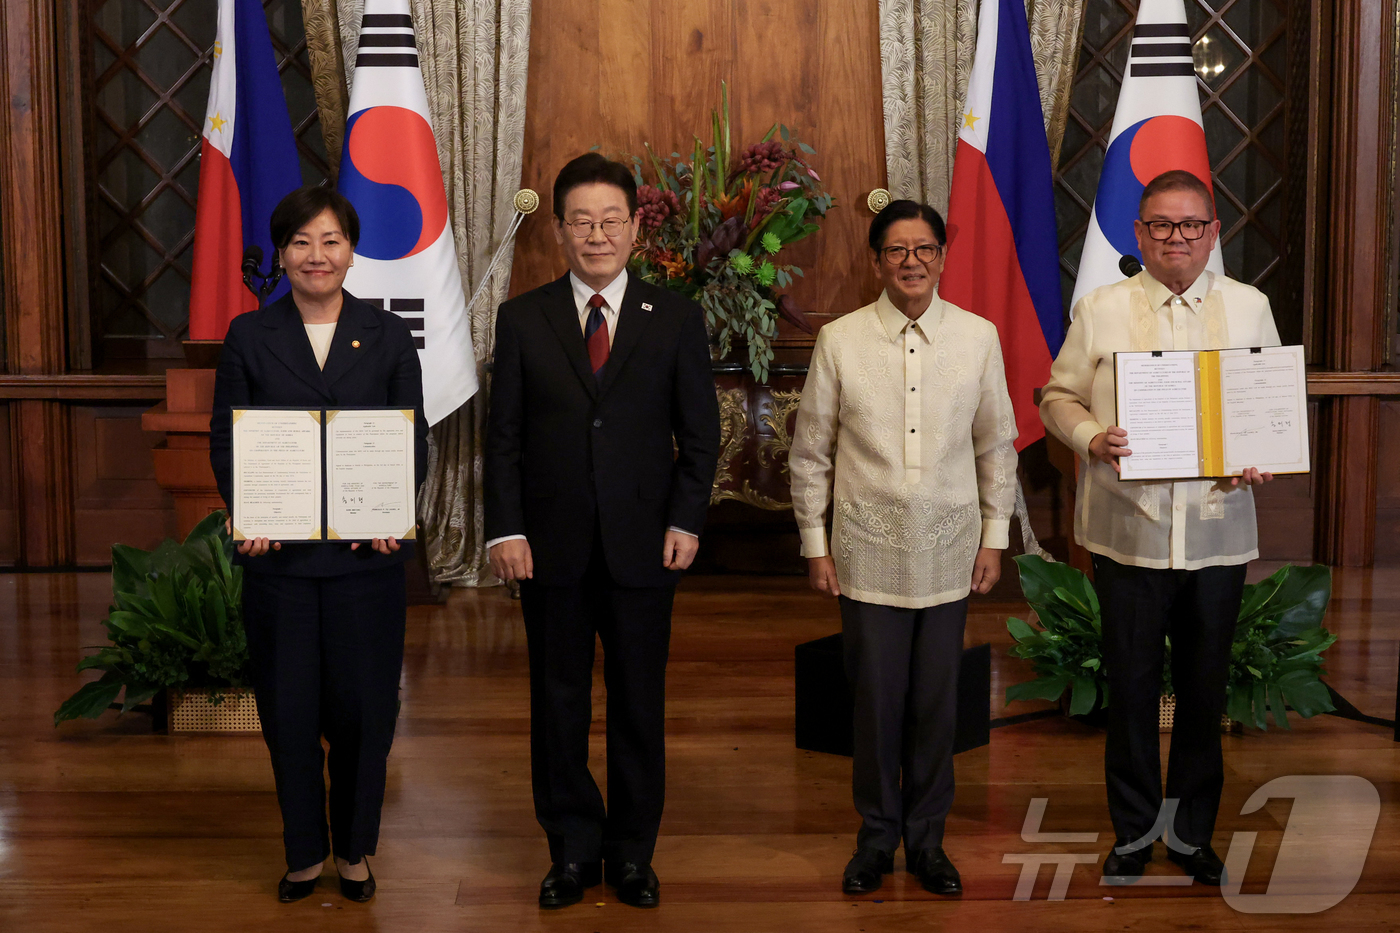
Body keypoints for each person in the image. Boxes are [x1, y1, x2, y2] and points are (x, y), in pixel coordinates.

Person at [483, 153, 720, 910]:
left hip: (644, 544)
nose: (596, 235)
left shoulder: (674, 317)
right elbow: (503, 438)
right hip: (548, 547)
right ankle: (571, 850)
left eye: (610, 220)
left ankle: (631, 854)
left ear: (635, 227)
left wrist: (685, 519)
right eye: (581, 221)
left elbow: (701, 436)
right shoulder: (523, 318)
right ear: (558, 230)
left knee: (638, 702)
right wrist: (504, 530)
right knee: (558, 702)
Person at [1040, 170, 1278, 886]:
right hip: (1129, 531)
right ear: (1140, 234)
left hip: (1216, 533)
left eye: (1191, 224)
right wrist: (1090, 436)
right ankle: (1135, 833)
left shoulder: (1250, 307)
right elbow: (1057, 395)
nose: (1178, 237)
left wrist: (1261, 450)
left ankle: (1193, 836)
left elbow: (1270, 404)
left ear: (1213, 233)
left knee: (1204, 693)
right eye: (1163, 225)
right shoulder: (1101, 308)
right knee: (1133, 690)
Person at [789, 199, 1018, 897]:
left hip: (951, 551)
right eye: (897, 250)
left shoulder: (977, 337)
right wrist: (815, 544)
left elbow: (996, 447)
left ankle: (928, 841)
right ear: (876, 262)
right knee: (875, 704)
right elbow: (810, 452)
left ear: (942, 258)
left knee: (936, 707)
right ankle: (875, 839)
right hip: (866, 550)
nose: (911, 261)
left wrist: (994, 537)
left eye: (924, 249)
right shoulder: (841, 340)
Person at [210, 186, 429, 903]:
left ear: (351, 250)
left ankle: (355, 850)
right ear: (281, 254)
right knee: (289, 713)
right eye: (301, 242)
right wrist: (249, 511)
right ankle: (304, 852)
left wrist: (393, 507)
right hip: (282, 564)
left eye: (330, 240)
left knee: (366, 714)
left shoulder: (388, 334)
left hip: (368, 561)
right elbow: (228, 441)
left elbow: (412, 438)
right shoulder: (250, 336)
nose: (317, 255)